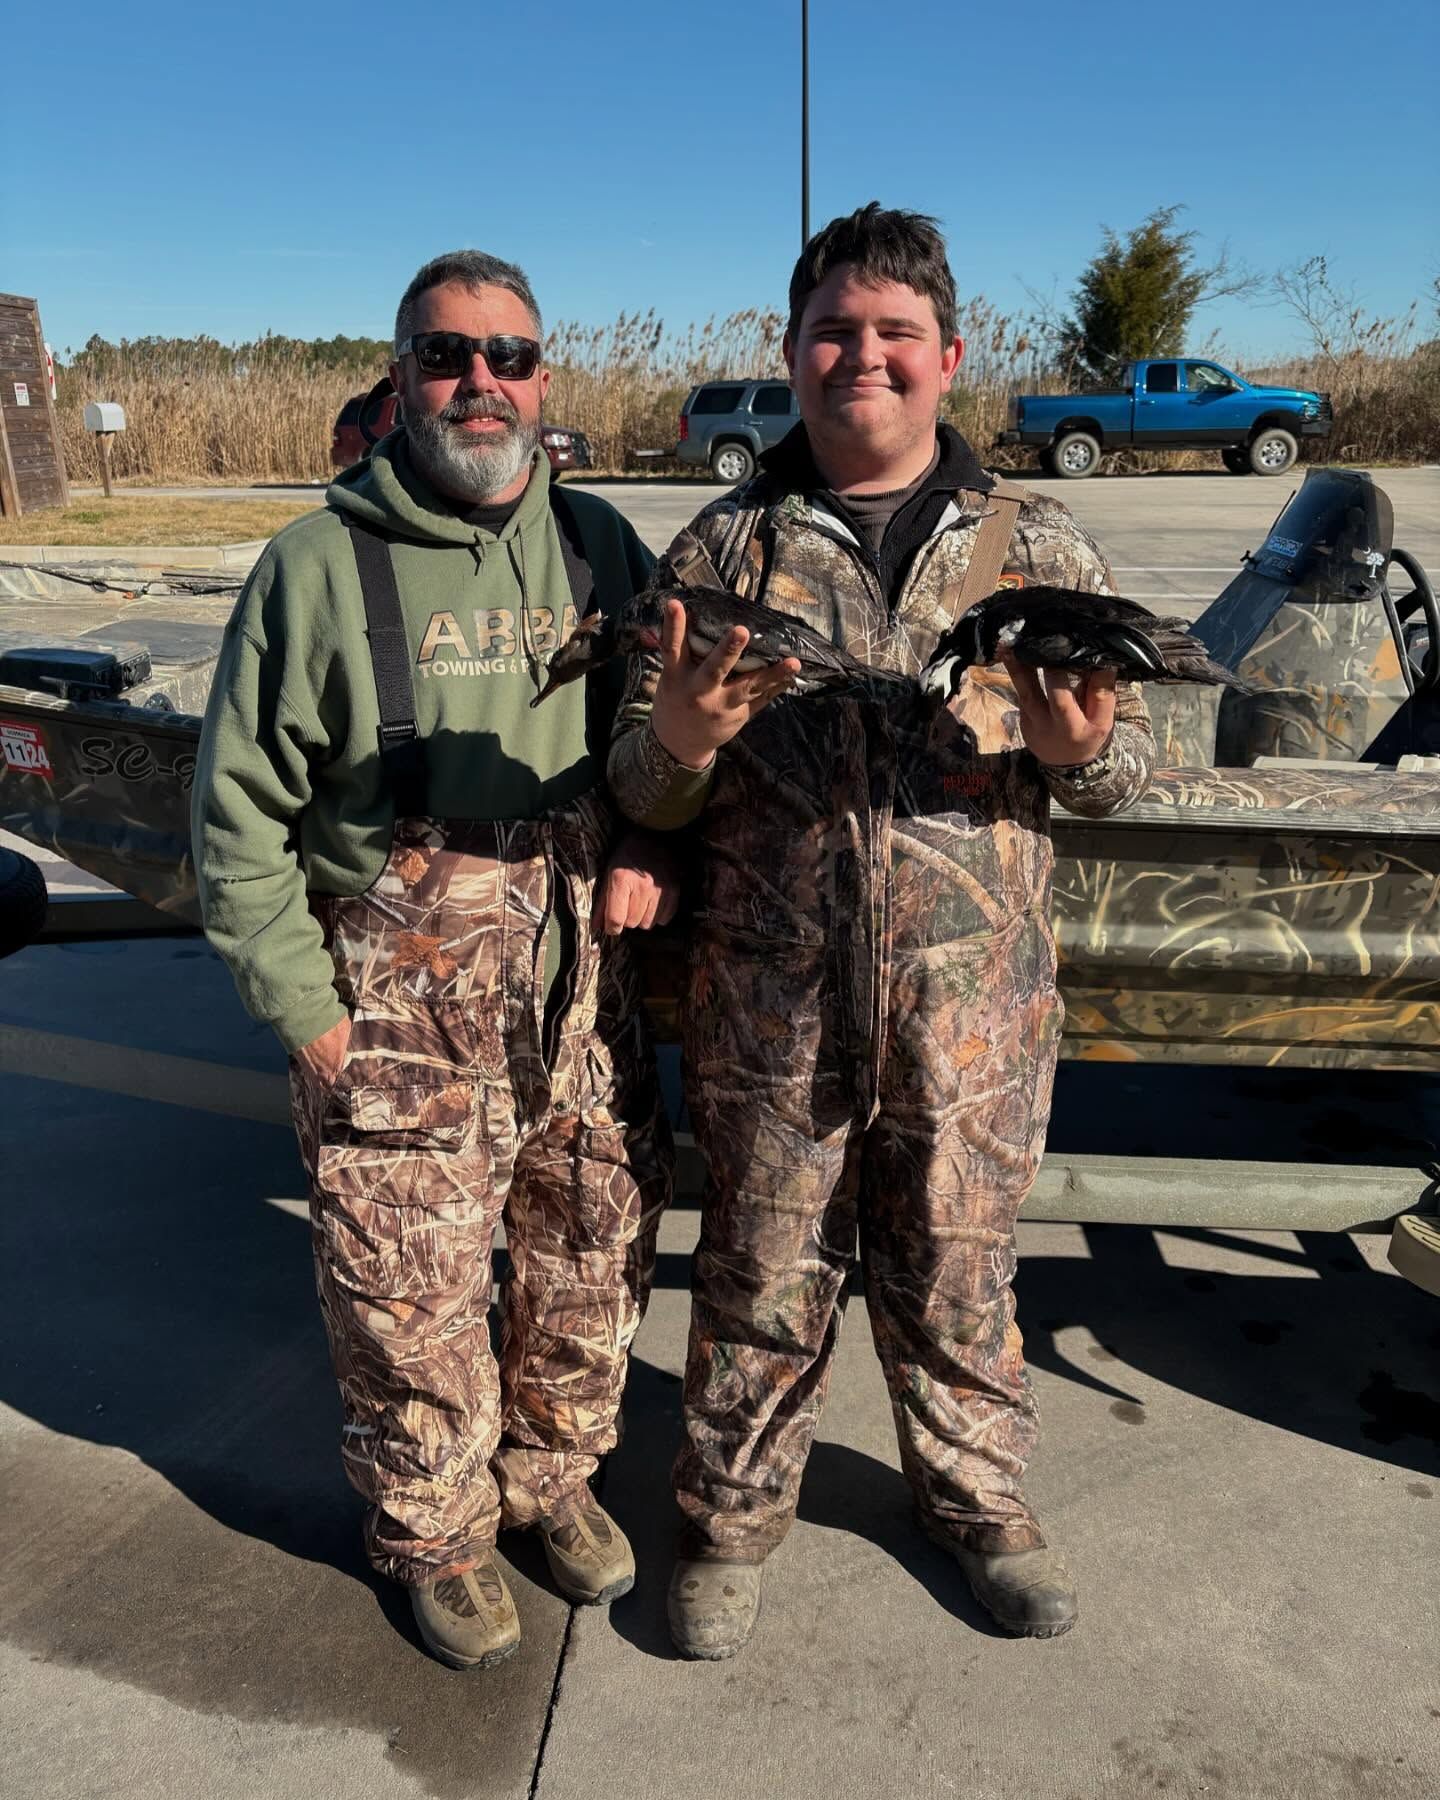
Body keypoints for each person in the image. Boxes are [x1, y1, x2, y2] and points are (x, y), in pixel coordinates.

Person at [609, 203, 1155, 1659]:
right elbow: (638, 788)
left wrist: (1085, 750)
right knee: (757, 1270)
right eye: (834, 331)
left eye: (896, 333)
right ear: (791, 351)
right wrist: (677, 740)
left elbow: (1130, 774)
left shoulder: (1033, 544)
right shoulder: (726, 544)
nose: (864, 356)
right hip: (771, 1009)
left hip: (971, 1012)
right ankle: (729, 1521)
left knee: (961, 1267)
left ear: (949, 357)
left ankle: (980, 1505)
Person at [193, 250, 674, 1670]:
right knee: (403, 1289)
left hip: (578, 984)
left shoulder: (603, 547)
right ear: (401, 376)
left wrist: (658, 842)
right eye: (448, 354)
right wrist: (309, 1015)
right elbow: (235, 820)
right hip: (396, 988)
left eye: (508, 355)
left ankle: (551, 1479)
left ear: (543, 377)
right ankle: (438, 1536)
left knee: (590, 1245)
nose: (481, 382)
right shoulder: (313, 567)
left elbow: (663, 748)